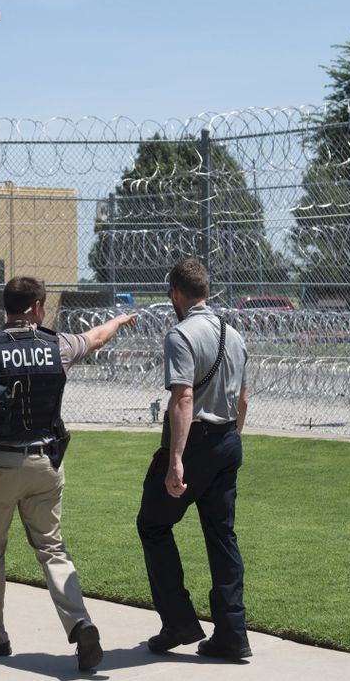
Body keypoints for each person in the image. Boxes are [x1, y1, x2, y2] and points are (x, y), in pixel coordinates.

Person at [0, 275, 137, 672]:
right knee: (52, 549)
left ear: (8, 307)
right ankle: (80, 622)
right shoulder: (59, 345)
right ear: (36, 306)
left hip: (0, 463)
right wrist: (118, 322)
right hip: (45, 463)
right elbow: (95, 337)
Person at [137, 258, 252, 660]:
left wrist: (176, 460)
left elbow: (183, 397)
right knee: (222, 536)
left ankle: (179, 621)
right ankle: (232, 632)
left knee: (153, 524)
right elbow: (242, 399)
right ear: (206, 291)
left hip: (196, 442)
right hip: (227, 440)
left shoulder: (180, 335)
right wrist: (229, 441)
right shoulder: (232, 334)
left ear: (175, 294)